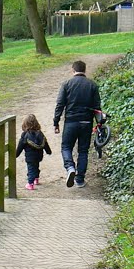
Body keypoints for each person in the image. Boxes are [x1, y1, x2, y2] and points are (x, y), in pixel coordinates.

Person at [53, 59, 102, 188]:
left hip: (71, 121)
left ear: (73, 70)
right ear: (84, 70)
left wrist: (56, 122)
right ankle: (80, 180)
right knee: (83, 151)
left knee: (66, 147)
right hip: (86, 122)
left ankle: (70, 167)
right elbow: (97, 107)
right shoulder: (92, 85)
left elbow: (60, 104)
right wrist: (99, 124)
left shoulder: (67, 84)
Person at [15, 114, 52, 191]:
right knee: (36, 166)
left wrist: (16, 154)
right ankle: (36, 178)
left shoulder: (25, 135)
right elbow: (45, 143)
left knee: (31, 168)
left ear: (25, 124)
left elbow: (20, 146)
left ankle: (30, 183)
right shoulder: (40, 133)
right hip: (39, 155)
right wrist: (48, 151)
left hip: (30, 156)